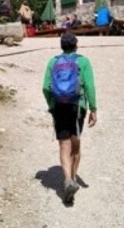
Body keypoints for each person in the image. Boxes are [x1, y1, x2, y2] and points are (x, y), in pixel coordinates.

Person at [42, 33, 97, 206]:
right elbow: (89, 86)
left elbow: (45, 87)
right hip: (77, 106)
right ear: (76, 46)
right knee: (75, 144)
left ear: (61, 46)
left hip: (59, 106)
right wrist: (93, 109)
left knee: (63, 144)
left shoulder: (53, 62)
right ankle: (73, 178)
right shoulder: (83, 61)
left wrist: (51, 104)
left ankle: (67, 180)